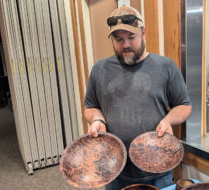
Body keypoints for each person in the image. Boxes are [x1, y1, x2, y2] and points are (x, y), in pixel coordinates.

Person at [84, 5, 192, 189]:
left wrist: (168, 121)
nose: (125, 44)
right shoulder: (99, 69)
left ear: (143, 32)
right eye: (119, 39)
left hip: (158, 169)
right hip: (113, 169)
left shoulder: (166, 66)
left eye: (131, 37)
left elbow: (184, 105)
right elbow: (90, 107)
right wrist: (97, 119)